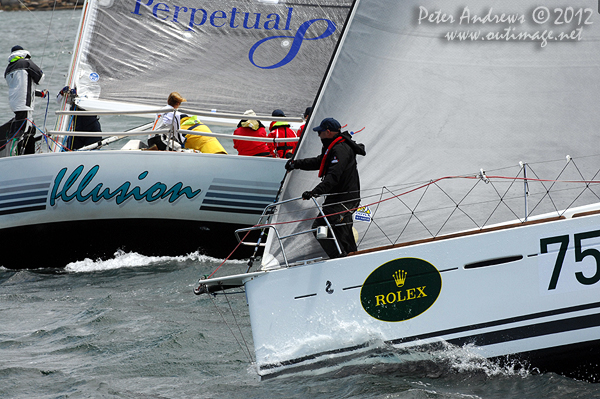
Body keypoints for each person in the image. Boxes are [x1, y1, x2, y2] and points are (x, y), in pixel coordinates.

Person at [285, 117, 366, 258]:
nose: (318, 135)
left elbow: (333, 177)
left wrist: (314, 192)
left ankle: (338, 260)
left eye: (320, 132)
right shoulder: (334, 146)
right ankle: (352, 258)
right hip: (345, 198)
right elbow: (319, 161)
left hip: (342, 199)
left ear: (328, 132)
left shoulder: (340, 149)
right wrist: (296, 164)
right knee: (344, 233)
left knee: (319, 228)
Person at [2, 45, 47, 156]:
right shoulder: (26, 63)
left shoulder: (8, 69)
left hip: (15, 103)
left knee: (29, 129)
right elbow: (40, 78)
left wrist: (40, 93)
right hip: (24, 104)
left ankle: (27, 154)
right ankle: (18, 155)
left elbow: (21, 87)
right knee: (24, 131)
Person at [56, 86, 103, 150]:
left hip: (92, 130)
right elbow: (59, 101)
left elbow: (94, 103)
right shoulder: (72, 89)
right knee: (68, 151)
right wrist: (62, 92)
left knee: (94, 153)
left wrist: (77, 96)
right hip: (77, 130)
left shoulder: (92, 91)